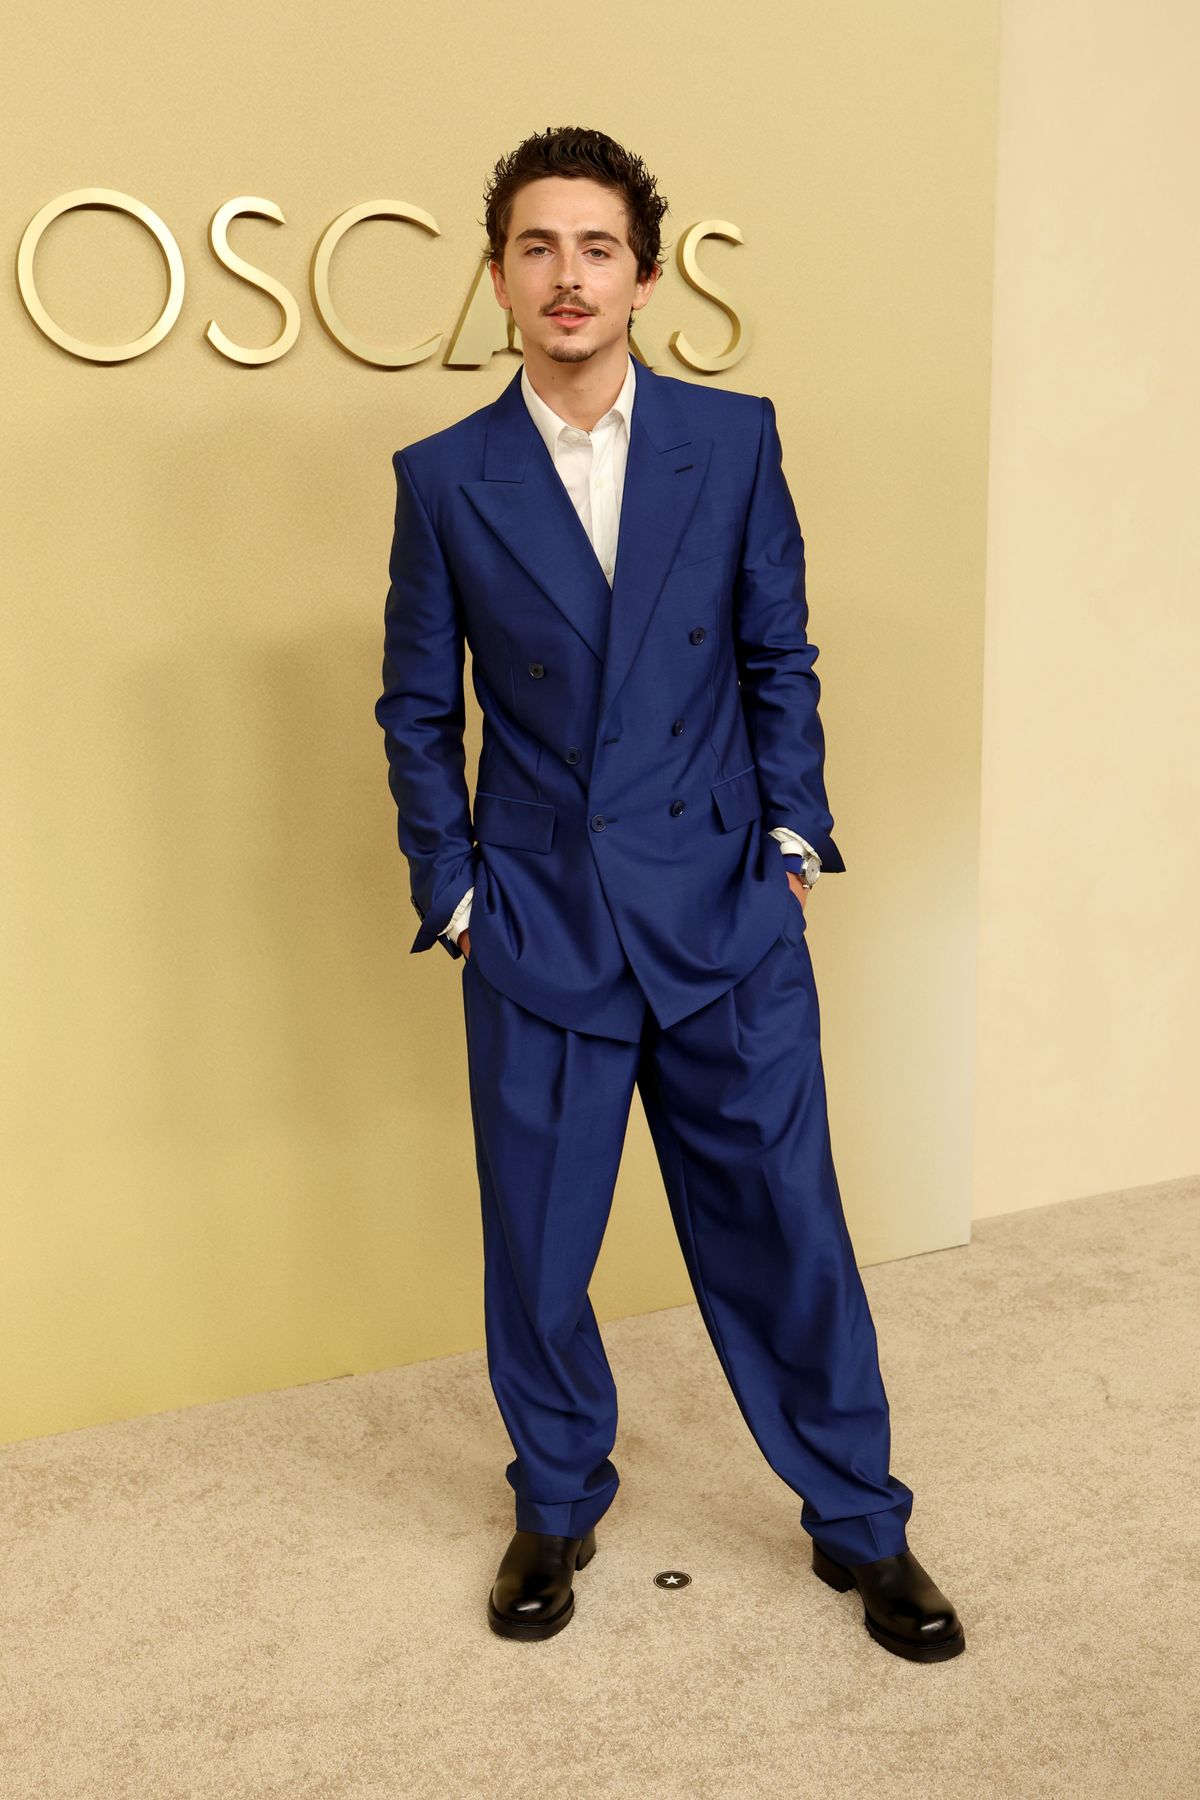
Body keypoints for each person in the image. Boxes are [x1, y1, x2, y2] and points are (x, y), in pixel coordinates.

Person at [374, 126, 964, 1662]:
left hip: (724, 915)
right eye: (533, 247)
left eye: (594, 247)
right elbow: (418, 707)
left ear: (642, 270)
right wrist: (454, 895)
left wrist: (792, 846)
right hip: (542, 928)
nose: (566, 276)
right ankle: (556, 1497)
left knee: (790, 1232)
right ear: (497, 275)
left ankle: (861, 1522)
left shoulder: (734, 437)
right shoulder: (445, 479)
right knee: (541, 1250)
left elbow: (781, 655)